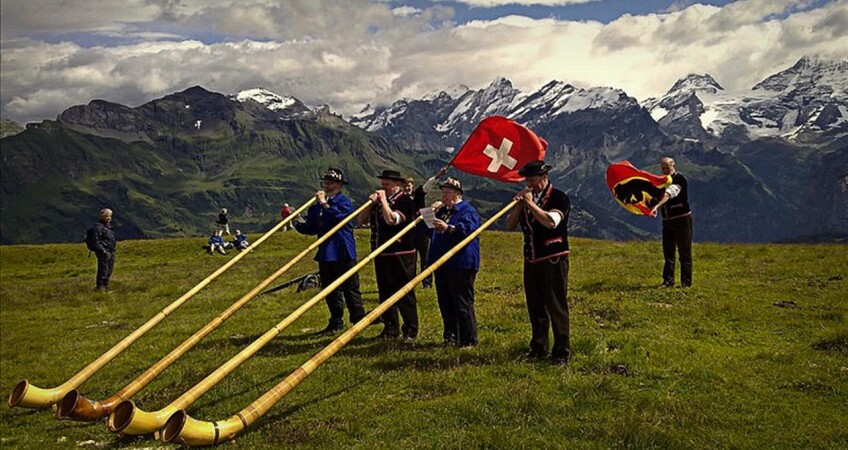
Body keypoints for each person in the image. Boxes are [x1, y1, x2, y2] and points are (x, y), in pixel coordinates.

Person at [505, 160, 572, 366]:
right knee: (535, 306)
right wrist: (518, 207)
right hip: (532, 259)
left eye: (533, 180)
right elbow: (509, 226)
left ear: (544, 178)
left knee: (556, 305)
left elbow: (551, 222)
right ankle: (538, 347)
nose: (530, 184)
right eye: (527, 180)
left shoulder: (559, 197)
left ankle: (562, 351)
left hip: (553, 259)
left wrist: (530, 204)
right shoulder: (527, 200)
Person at [295, 168, 366, 335]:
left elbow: (337, 219)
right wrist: (297, 223)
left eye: (330, 183)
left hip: (343, 250)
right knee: (329, 289)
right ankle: (336, 321)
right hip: (327, 252)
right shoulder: (316, 207)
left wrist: (324, 203)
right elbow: (312, 227)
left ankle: (358, 319)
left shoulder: (344, 202)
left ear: (339, 185)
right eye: (325, 182)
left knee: (350, 288)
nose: (326, 186)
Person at [358, 169, 419, 341]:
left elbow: (392, 220)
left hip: (401, 253)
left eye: (387, 185)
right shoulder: (378, 203)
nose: (383, 187)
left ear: (397, 185)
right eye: (382, 184)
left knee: (404, 292)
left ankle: (410, 330)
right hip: (382, 252)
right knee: (385, 291)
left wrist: (384, 201)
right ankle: (390, 328)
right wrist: (370, 204)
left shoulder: (406, 201)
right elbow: (361, 220)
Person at [428, 177, 481, 347]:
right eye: (442, 192)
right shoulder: (442, 211)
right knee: (445, 301)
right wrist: (428, 213)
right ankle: (450, 336)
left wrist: (449, 228)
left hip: (461, 263)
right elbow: (426, 230)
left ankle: (468, 339)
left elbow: (468, 231)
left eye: (447, 193)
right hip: (442, 262)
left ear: (457, 194)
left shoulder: (467, 210)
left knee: (462, 302)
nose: (444, 196)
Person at [650, 157, 693, 288]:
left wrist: (657, 206)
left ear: (673, 165)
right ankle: (668, 281)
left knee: (684, 252)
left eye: (667, 168)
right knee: (668, 252)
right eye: (663, 168)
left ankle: (686, 283)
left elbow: (668, 194)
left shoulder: (680, 179)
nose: (665, 170)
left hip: (682, 220)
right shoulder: (661, 182)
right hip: (667, 221)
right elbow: (654, 198)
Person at [405, 166, 449, 289]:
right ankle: (410, 282)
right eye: (405, 186)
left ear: (412, 186)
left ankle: (427, 283)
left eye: (409, 185)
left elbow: (427, 186)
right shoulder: (399, 199)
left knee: (426, 258)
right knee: (410, 259)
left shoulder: (417, 194)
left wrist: (438, 176)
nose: (407, 188)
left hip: (422, 231)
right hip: (408, 232)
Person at [92, 208, 116, 291]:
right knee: (103, 269)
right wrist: (103, 251)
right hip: (104, 252)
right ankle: (100, 287)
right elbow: (95, 241)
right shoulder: (98, 227)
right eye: (106, 216)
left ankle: (106, 286)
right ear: (102, 216)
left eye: (110, 216)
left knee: (109, 270)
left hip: (111, 250)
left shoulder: (109, 227)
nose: (108, 218)